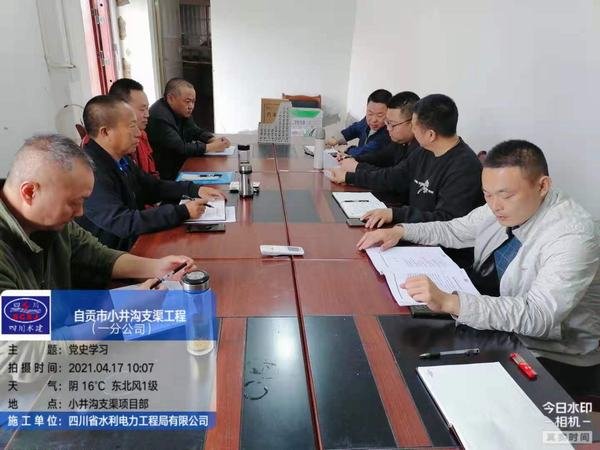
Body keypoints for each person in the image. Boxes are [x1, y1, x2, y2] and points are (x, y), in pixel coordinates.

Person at [357, 140, 600, 395]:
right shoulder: (503, 205)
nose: (495, 206)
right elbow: (456, 229)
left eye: (506, 195)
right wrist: (401, 231)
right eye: (487, 195)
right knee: (401, 343)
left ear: (542, 186)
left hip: (552, 352)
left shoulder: (572, 235)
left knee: (433, 383)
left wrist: (451, 302)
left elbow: (539, 316)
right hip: (500, 323)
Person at [0, 133, 195, 291]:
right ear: (29, 192)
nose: (80, 212)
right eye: (73, 202)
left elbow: (96, 255)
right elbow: (25, 330)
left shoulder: (52, 222)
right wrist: (118, 311)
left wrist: (157, 267)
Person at [77, 95, 225, 251]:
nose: (139, 133)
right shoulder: (90, 171)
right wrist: (183, 211)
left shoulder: (119, 158)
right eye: (131, 126)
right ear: (105, 132)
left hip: (134, 242)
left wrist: (194, 189)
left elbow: (152, 187)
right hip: (115, 255)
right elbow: (124, 222)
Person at [331, 94, 483, 242]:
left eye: (414, 127)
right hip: (411, 230)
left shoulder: (465, 167)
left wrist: (395, 214)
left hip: (439, 248)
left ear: (430, 135)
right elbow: (394, 176)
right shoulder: (425, 151)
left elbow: (446, 222)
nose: (412, 131)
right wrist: (350, 177)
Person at [147, 78, 231, 179]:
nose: (191, 106)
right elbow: (180, 148)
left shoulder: (180, 111)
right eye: (187, 101)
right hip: (166, 175)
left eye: (193, 102)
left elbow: (195, 131)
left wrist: (213, 139)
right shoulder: (159, 117)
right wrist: (211, 147)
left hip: (180, 166)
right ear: (170, 98)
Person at [339, 91, 420, 171]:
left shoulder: (419, 150)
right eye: (370, 113)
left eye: (392, 124)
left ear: (412, 123)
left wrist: (356, 166)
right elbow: (380, 156)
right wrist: (353, 159)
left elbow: (393, 175)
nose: (388, 128)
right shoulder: (399, 142)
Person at [108, 78, 159, 177]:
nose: (147, 115)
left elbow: (151, 174)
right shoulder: (110, 146)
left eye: (147, 108)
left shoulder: (142, 134)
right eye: (142, 109)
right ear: (122, 108)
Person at [326, 89, 392, 158]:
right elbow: (354, 129)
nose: (373, 120)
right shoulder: (366, 121)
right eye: (370, 113)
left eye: (379, 115)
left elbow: (364, 152)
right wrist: (336, 139)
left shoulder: (389, 133)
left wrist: (346, 149)